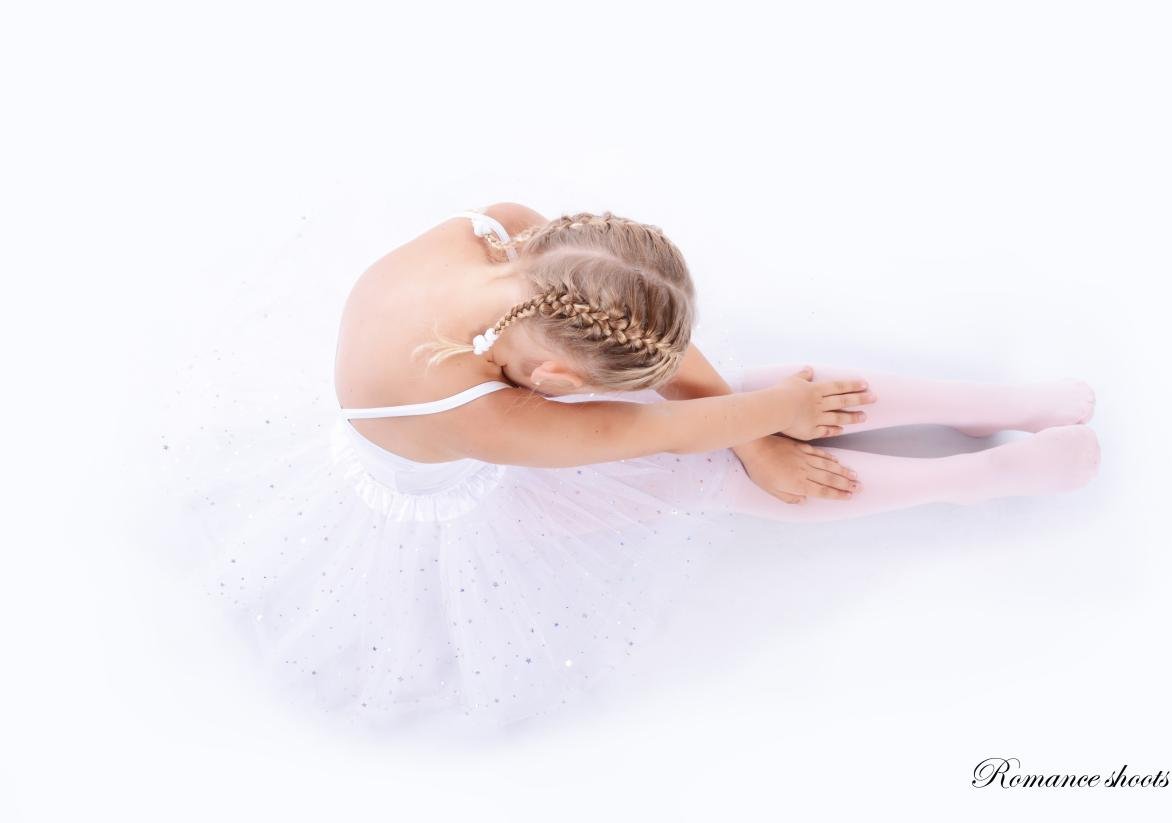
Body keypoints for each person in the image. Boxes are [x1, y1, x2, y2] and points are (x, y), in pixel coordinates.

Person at [162, 202, 1099, 732]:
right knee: (710, 472)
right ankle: (971, 477)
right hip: (454, 490)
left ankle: (1000, 409)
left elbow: (675, 367)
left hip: (489, 393)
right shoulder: (480, 410)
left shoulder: (501, 234)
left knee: (755, 405)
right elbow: (654, 436)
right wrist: (763, 428)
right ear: (558, 382)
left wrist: (763, 418)